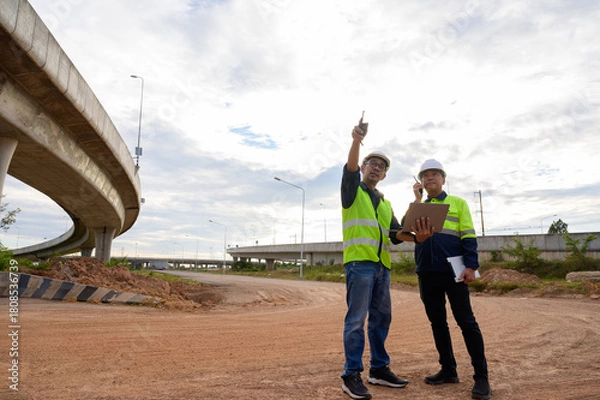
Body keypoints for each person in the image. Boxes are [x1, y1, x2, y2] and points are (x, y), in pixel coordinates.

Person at [340, 121, 434, 400]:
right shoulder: (352, 189)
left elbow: (396, 235)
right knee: (356, 320)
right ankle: (351, 374)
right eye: (372, 163)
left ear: (383, 175)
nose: (376, 168)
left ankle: (378, 369)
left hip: (382, 267)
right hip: (359, 264)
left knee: (382, 319)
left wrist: (419, 234)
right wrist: (357, 141)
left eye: (381, 166)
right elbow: (350, 168)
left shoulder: (384, 202)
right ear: (364, 167)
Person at [411, 159, 491, 400]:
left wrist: (471, 266)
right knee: (438, 323)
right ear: (421, 183)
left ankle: (482, 378)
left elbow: (467, 235)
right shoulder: (419, 207)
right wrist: (417, 200)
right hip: (427, 272)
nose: (430, 178)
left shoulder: (457, 203)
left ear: (444, 179)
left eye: (435, 174)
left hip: (454, 272)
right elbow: (408, 234)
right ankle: (448, 370)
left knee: (466, 322)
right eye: (425, 175)